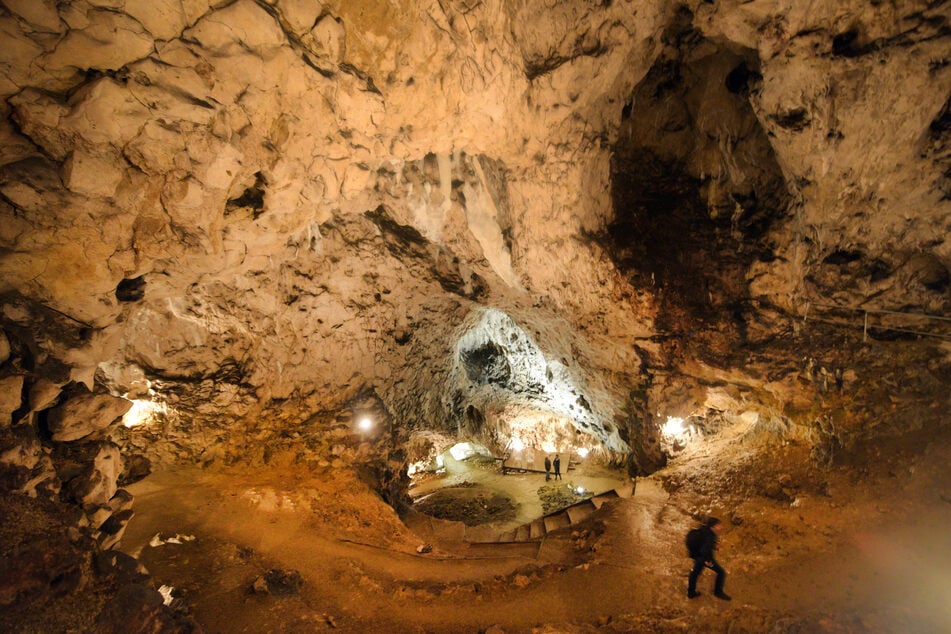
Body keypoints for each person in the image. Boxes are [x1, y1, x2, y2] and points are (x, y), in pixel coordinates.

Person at [687, 517, 731, 600]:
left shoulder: (703, 530)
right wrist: (708, 561)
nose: (721, 527)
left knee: (695, 573)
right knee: (721, 572)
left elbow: (703, 543)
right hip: (704, 558)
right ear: (713, 526)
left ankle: (691, 593)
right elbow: (705, 550)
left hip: (696, 555)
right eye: (719, 525)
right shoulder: (710, 535)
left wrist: (714, 546)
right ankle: (718, 592)